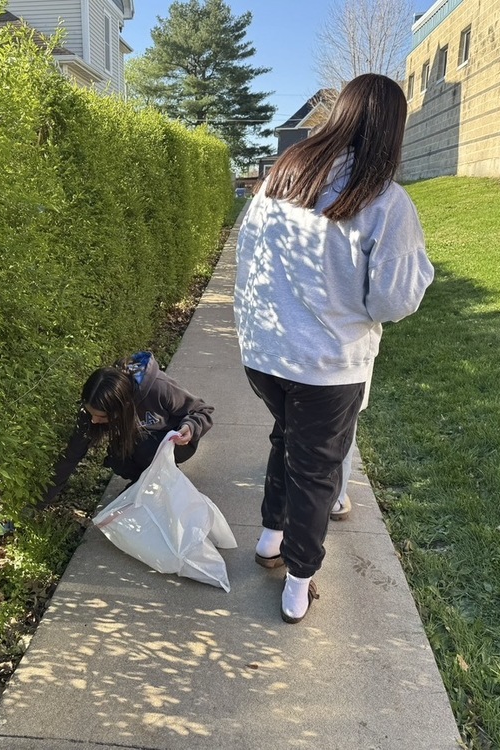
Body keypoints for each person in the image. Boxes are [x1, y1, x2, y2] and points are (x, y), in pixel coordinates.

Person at [233, 74, 434, 624]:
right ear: (392, 130)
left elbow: (247, 259)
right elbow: (393, 300)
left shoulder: (284, 175)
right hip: (325, 365)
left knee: (287, 439)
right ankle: (300, 580)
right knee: (317, 470)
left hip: (264, 355)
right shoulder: (384, 202)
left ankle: (271, 538)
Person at [39, 351, 214, 508]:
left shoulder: (158, 387)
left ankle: (164, 481)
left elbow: (202, 410)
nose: (94, 420)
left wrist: (190, 427)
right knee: (117, 458)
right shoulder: (96, 404)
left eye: (102, 417)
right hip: (140, 438)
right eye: (91, 414)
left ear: (123, 406)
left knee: (145, 449)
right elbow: (72, 454)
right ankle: (143, 483)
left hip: (175, 442)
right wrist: (42, 500)